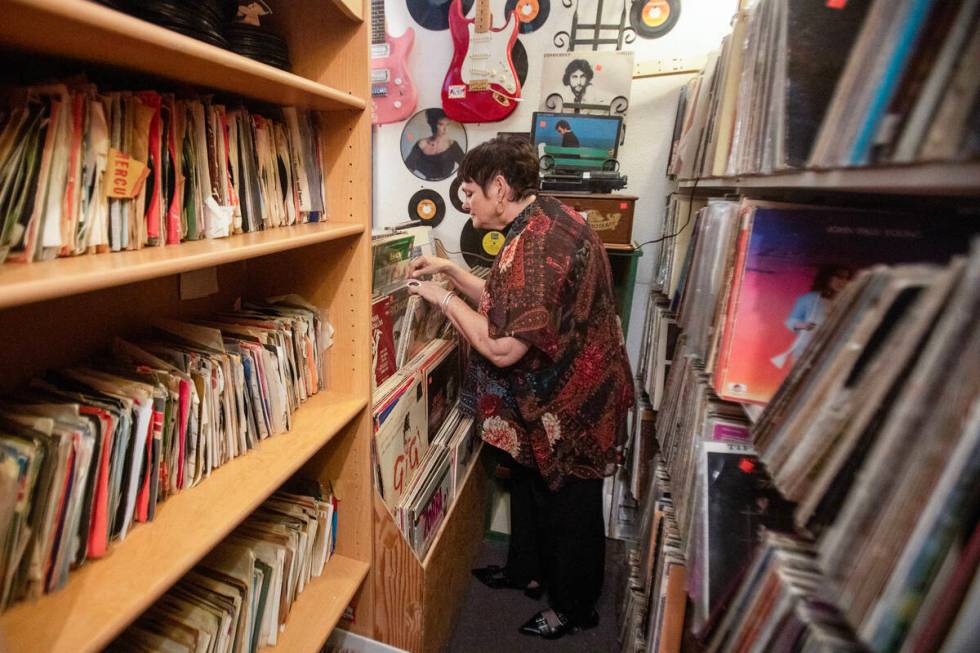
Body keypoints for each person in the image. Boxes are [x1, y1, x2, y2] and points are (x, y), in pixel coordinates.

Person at [407, 136, 634, 639]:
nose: (464, 204)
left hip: (578, 403)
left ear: (500, 187)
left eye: (469, 192)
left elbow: (504, 346)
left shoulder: (540, 244)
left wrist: (442, 301)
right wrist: (451, 271)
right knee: (533, 485)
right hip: (552, 397)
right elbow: (507, 298)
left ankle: (575, 609)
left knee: (570, 504)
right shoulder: (540, 219)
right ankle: (525, 570)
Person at [770, 264, 853, 369]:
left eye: (846, 278)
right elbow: (790, 322)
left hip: (832, 353)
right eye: (839, 277)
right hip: (805, 352)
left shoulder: (847, 303)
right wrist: (804, 325)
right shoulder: (809, 299)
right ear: (827, 278)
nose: (842, 281)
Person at [403, 108, 465, 181]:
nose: (445, 129)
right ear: (433, 124)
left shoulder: (452, 145)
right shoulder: (422, 145)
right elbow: (408, 168)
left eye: (447, 124)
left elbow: (467, 167)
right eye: (441, 124)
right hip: (425, 186)